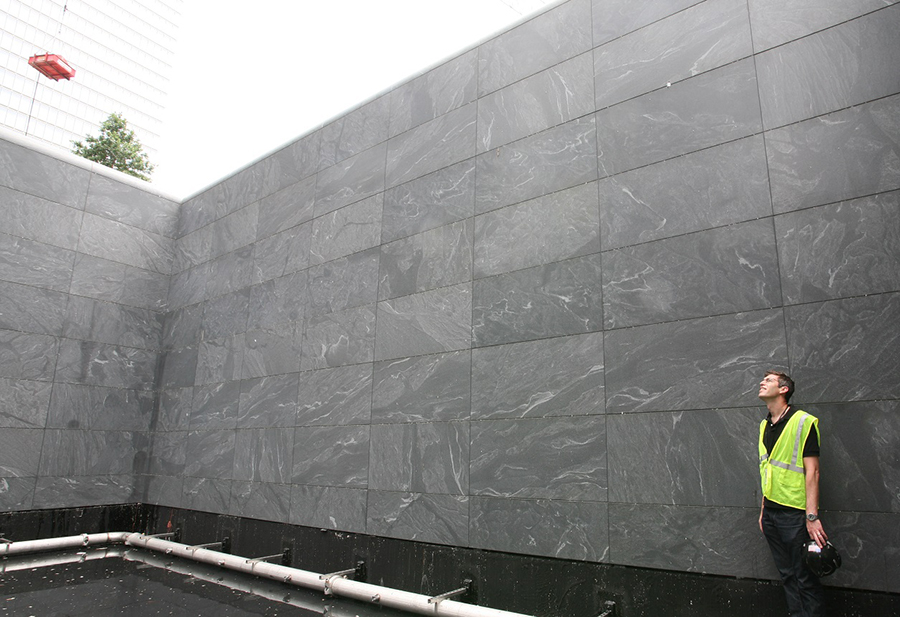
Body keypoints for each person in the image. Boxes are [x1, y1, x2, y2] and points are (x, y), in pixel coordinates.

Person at [757, 370, 825, 617]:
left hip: (795, 515)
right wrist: (764, 511)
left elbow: (813, 472)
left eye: (769, 380)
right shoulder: (764, 425)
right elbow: (767, 470)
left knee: (804, 578)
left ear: (783, 389)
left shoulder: (804, 422)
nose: (762, 382)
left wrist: (811, 517)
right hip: (771, 515)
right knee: (787, 576)